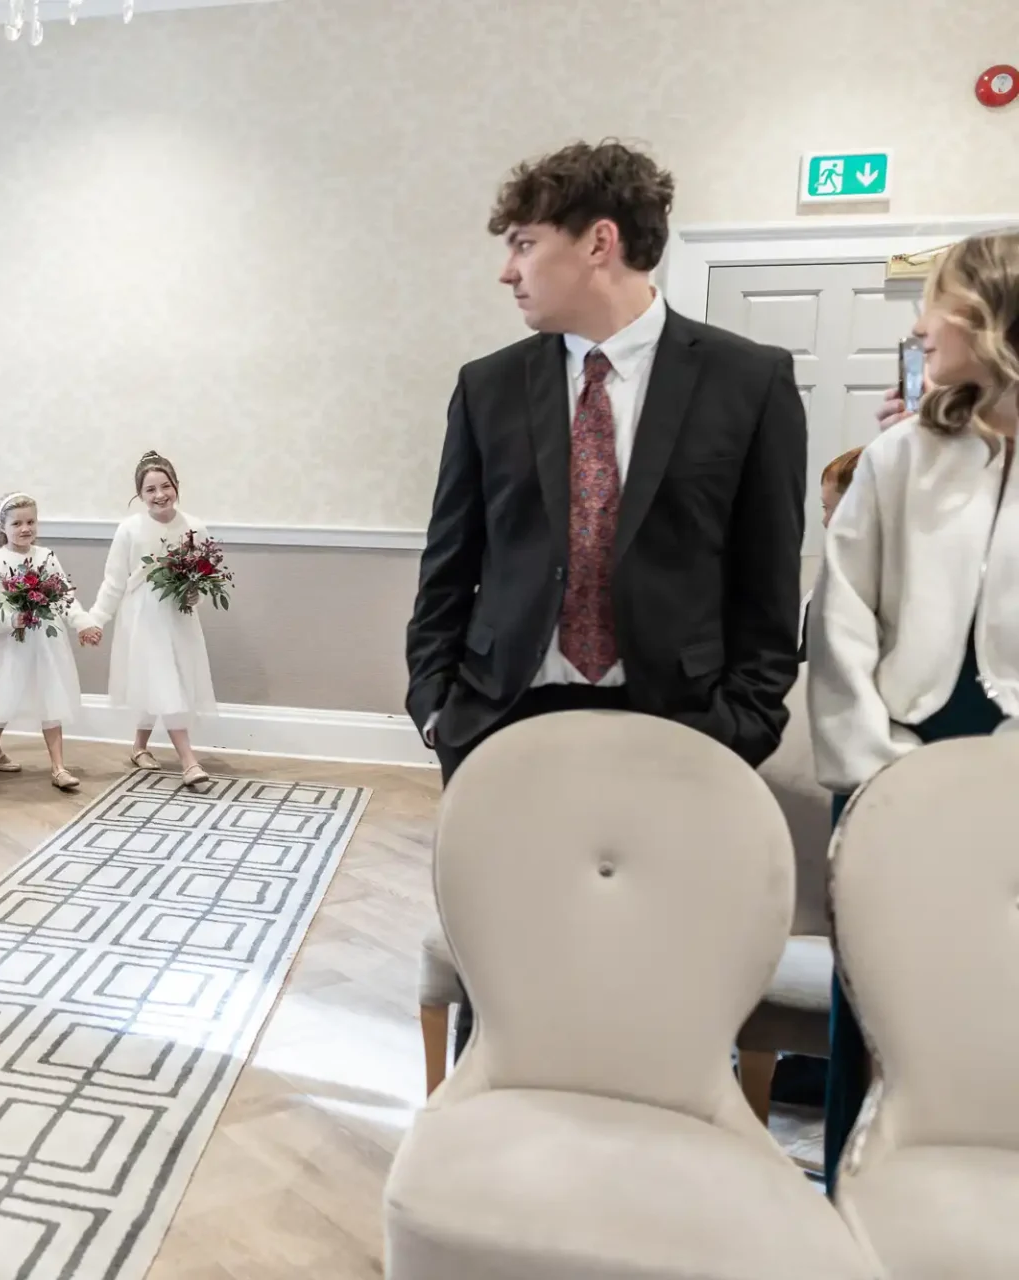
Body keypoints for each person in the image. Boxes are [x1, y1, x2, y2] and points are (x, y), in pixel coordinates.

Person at [406, 140, 807, 782]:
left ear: (598, 243)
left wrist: (745, 723)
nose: (507, 271)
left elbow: (769, 579)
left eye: (524, 243)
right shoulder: (488, 387)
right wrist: (435, 705)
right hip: (499, 716)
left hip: (683, 726)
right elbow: (448, 564)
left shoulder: (750, 381)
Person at [808, 229, 1019, 1190]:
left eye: (933, 304)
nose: (918, 326)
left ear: (990, 319)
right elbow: (844, 612)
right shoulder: (903, 454)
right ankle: (855, 1199)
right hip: (896, 764)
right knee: (878, 1000)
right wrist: (874, 766)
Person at [87, 452, 218, 788]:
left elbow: (201, 577)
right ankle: (189, 761)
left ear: (176, 486)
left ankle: (139, 746)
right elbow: (114, 580)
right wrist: (96, 620)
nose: (160, 494)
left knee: (168, 678)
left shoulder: (195, 528)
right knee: (162, 678)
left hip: (178, 617)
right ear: (140, 495)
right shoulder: (129, 530)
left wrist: (194, 595)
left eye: (166, 486)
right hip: (143, 616)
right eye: (150, 489)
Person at [0, 492, 102, 790]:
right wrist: (11, 618)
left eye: (31, 521)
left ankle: (59, 767)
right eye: (17, 523)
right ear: (3, 527)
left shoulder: (46, 556)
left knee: (50, 694)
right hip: (11, 641)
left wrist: (83, 624)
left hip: (45, 642)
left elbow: (64, 595)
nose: (25, 528)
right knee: (4, 696)